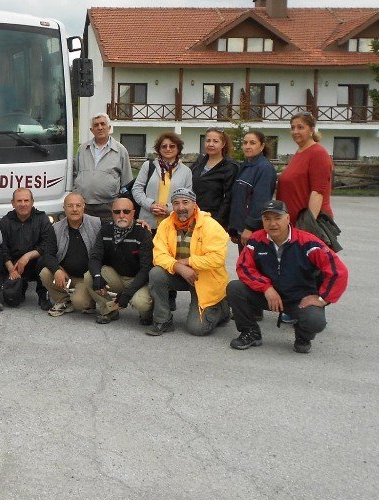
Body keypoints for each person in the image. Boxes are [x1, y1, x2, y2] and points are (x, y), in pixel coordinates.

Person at [228, 199, 348, 354]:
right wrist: (266, 288)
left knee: (315, 321)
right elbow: (244, 267)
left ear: (287, 218)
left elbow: (338, 271)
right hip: (269, 295)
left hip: (299, 299)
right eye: (267, 219)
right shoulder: (256, 239)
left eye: (277, 218)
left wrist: (322, 299)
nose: (272, 224)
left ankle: (303, 335)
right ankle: (250, 332)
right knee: (235, 288)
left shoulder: (308, 242)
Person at [147, 187, 230, 337]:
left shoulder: (210, 225)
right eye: (176, 203)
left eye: (185, 202)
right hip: (179, 273)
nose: (181, 208)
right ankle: (163, 319)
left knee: (197, 329)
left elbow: (218, 258)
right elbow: (158, 254)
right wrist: (178, 266)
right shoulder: (166, 224)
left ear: (194, 204)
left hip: (204, 278)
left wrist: (189, 261)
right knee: (156, 273)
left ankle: (222, 308)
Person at [84, 196, 154, 324]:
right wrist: (97, 276)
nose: (121, 215)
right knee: (90, 276)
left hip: (139, 279)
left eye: (126, 212)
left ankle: (147, 313)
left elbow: (146, 270)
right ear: (112, 213)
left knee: (141, 303)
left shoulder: (143, 233)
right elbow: (95, 257)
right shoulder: (105, 230)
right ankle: (109, 310)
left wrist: (127, 294)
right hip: (117, 277)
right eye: (117, 212)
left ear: (133, 213)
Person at [39, 192, 101, 316]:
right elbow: (48, 254)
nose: (74, 209)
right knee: (45, 273)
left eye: (78, 205)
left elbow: (117, 224)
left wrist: (138, 222)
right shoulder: (56, 228)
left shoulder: (97, 224)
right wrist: (57, 270)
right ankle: (64, 301)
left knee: (81, 302)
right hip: (66, 277)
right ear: (64, 208)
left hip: (87, 278)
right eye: (70, 206)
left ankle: (87, 299)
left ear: (84, 207)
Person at [0, 188, 57, 309]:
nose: (23, 204)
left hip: (36, 262)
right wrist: (11, 269)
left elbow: (49, 244)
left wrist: (28, 256)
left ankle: (43, 294)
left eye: (26, 200)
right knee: (12, 301)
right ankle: (20, 285)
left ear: (32, 202)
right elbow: (2, 248)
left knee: (47, 258)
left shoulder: (42, 218)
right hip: (15, 265)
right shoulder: (5, 221)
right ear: (13, 203)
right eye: (19, 201)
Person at [276, 111, 335, 228]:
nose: (295, 131)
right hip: (292, 223)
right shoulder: (299, 152)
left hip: (310, 224)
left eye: (300, 127)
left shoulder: (318, 153)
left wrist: (308, 226)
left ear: (311, 129)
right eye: (292, 128)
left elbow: (318, 192)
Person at [72, 113, 134, 220]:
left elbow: (127, 182)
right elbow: (75, 173)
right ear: (91, 130)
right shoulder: (82, 149)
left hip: (108, 206)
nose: (100, 128)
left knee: (106, 236)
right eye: (96, 125)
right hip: (84, 205)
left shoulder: (120, 150)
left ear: (109, 128)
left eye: (103, 124)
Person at [132, 132, 193, 229]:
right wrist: (150, 205)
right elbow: (136, 189)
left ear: (178, 148)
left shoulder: (186, 171)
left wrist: (168, 208)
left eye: (172, 146)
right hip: (147, 223)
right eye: (164, 146)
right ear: (159, 149)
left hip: (173, 224)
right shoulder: (148, 166)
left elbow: (189, 199)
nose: (168, 149)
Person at [228, 131, 277, 249]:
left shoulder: (264, 168)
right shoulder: (245, 166)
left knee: (252, 266)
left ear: (262, 146)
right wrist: (234, 228)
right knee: (243, 265)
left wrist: (250, 228)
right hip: (241, 229)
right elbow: (238, 198)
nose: (247, 146)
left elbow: (260, 201)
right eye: (245, 143)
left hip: (252, 231)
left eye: (252, 143)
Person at [189, 127, 238, 229]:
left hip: (214, 220)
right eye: (208, 140)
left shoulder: (230, 167)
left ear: (223, 144)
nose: (211, 144)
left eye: (215, 141)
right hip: (193, 217)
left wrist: (217, 222)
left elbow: (228, 198)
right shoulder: (199, 162)